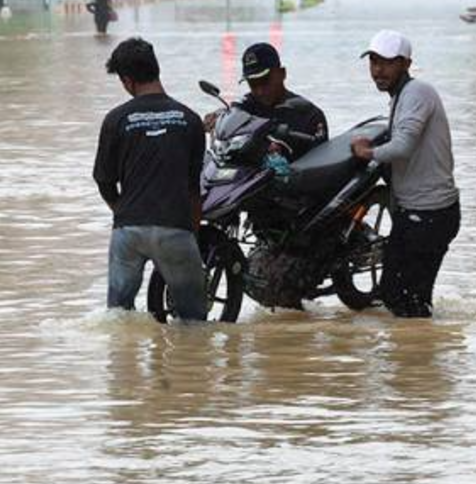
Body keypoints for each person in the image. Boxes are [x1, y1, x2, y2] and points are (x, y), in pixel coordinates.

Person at [93, 38, 209, 321]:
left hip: (128, 232)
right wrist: (192, 234)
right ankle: (189, 365)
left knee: (118, 318)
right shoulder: (190, 120)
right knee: (192, 321)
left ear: (127, 80)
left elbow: (103, 180)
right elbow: (194, 188)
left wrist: (122, 211)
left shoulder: (115, 120)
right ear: (156, 70)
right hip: (175, 229)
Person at [349, 30, 460, 318]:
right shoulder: (401, 96)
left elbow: (403, 146)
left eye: (387, 63)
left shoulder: (417, 93)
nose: (378, 70)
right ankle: (419, 355)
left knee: (402, 297)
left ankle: (418, 357)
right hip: (418, 213)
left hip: (430, 214)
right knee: (401, 297)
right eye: (373, 62)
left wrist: (368, 153)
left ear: (406, 64)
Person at [205, 43, 328, 161]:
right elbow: (232, 112)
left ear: (282, 74)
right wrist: (218, 117)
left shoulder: (309, 115)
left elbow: (319, 167)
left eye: (264, 81)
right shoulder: (245, 106)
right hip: (244, 178)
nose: (259, 91)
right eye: (253, 84)